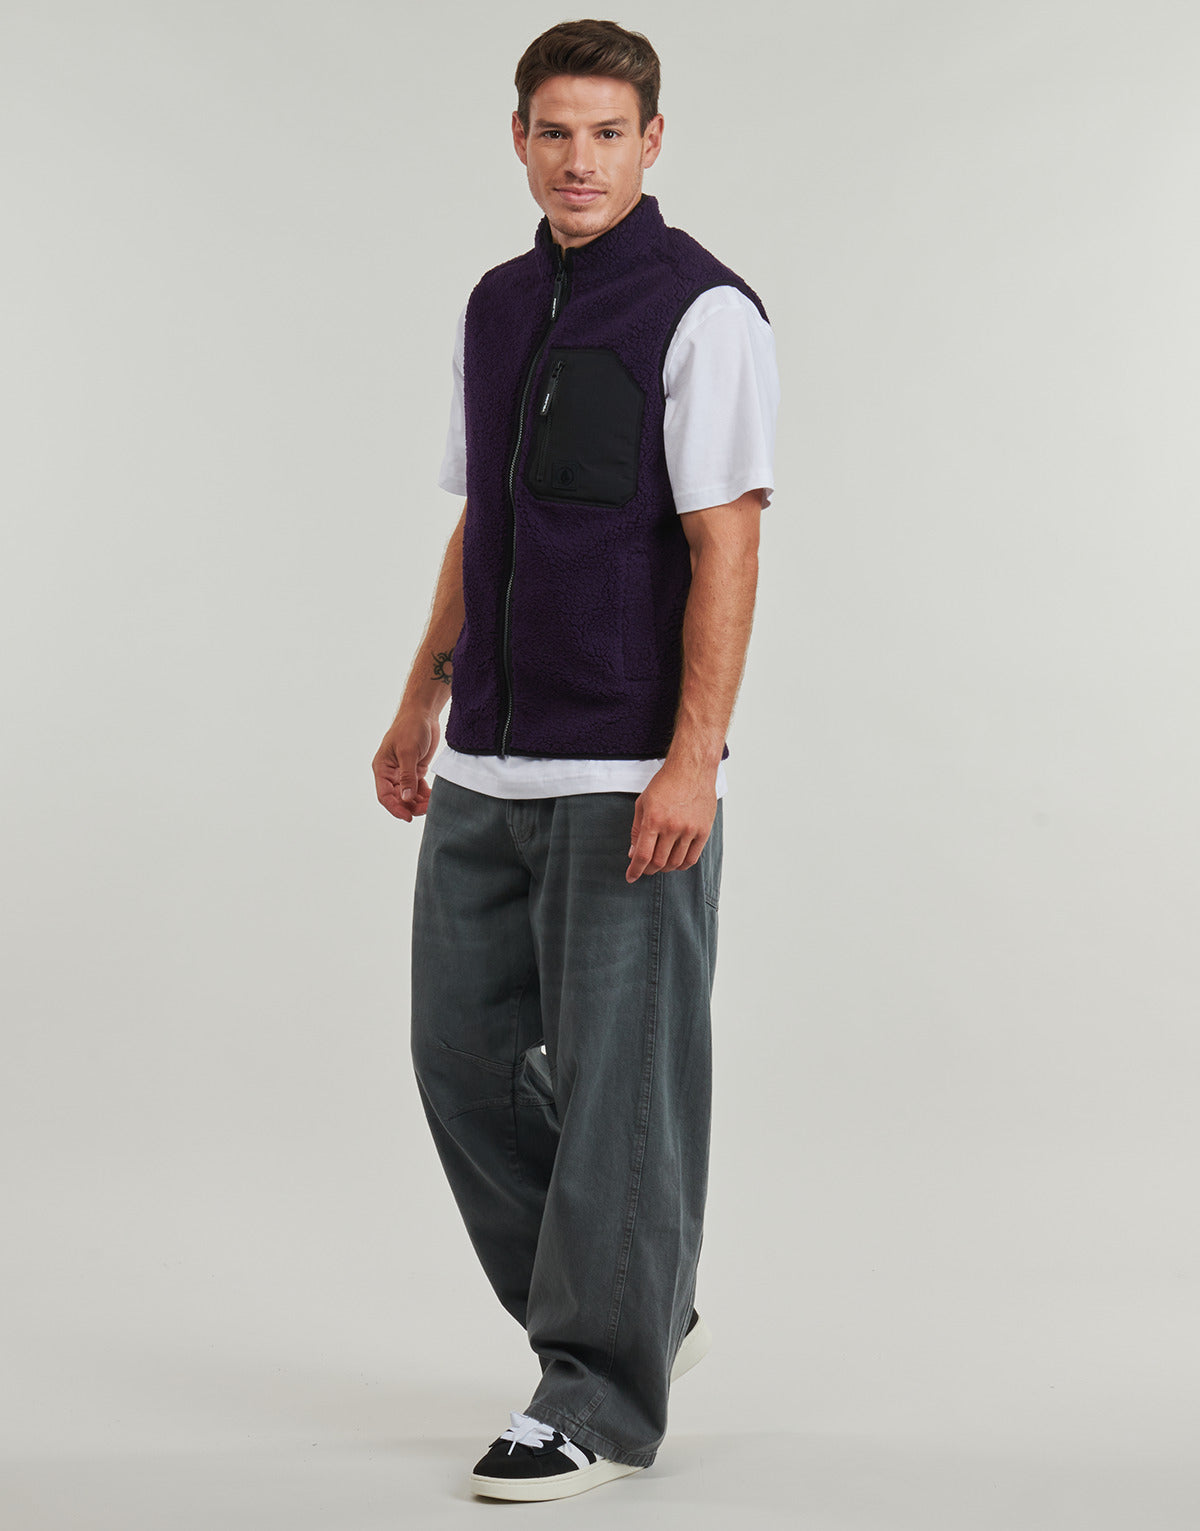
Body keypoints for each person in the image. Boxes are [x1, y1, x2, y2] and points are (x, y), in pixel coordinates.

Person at [372, 18, 779, 1503]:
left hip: (626, 772)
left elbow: (725, 545)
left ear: (652, 142)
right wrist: (419, 696)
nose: (580, 160)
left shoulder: (703, 313)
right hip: (488, 757)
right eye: (555, 131)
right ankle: (638, 1301)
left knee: (622, 1090)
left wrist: (693, 759)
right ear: (520, 138)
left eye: (608, 133)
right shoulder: (495, 306)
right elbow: (481, 521)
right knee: (460, 1058)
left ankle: (597, 1400)